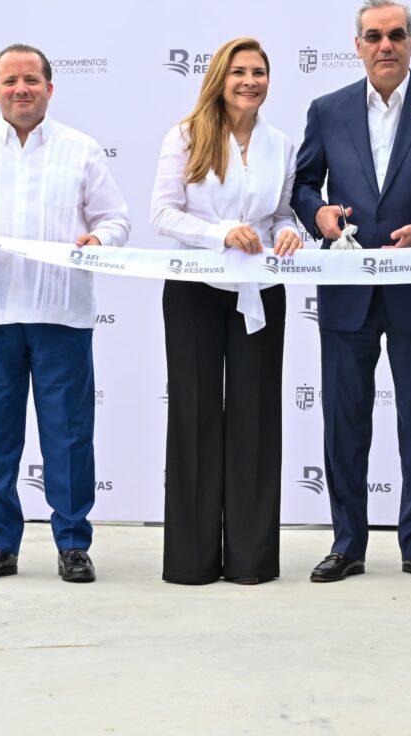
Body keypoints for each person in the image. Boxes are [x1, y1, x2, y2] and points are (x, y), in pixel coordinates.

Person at [291, 0, 411, 582]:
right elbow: (303, 185)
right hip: (347, 291)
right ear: (357, 45)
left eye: (396, 35)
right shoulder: (327, 110)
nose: (385, 45)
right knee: (344, 422)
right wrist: (319, 216)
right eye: (373, 36)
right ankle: (347, 543)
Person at [0, 43, 131, 583]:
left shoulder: (80, 150)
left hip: (61, 312)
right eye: (10, 81)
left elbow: (116, 219)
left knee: (68, 433)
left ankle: (72, 544)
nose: (21, 89)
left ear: (49, 89)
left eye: (32, 80)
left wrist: (97, 237)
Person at [150, 37, 301, 585]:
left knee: (256, 416)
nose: (250, 81)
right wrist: (220, 234)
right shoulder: (186, 135)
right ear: (220, 77)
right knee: (193, 414)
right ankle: (190, 561)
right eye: (239, 72)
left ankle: (251, 560)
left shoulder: (281, 143)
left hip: (259, 291)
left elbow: (283, 213)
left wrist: (288, 235)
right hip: (194, 285)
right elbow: (162, 214)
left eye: (259, 72)